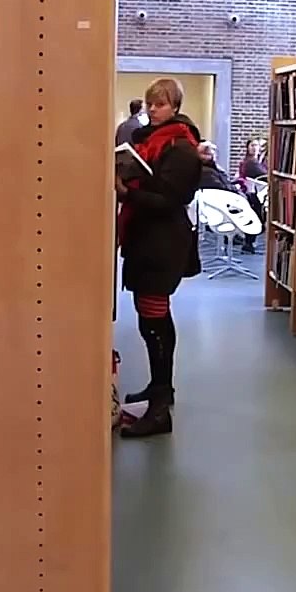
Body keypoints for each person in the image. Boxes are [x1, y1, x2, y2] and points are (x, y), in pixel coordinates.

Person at [115, 78, 202, 438]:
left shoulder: (180, 147)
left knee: (155, 321)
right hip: (147, 240)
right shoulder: (149, 141)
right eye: (150, 104)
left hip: (162, 243)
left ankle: (160, 408)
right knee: (148, 321)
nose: (153, 110)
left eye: (161, 104)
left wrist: (126, 193)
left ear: (175, 108)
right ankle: (157, 387)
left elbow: (171, 199)